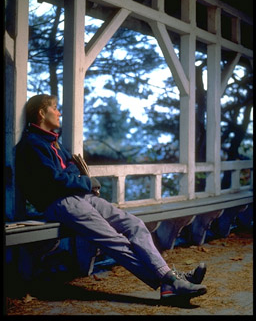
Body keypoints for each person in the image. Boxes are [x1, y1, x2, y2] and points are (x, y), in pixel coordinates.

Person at [15, 94, 207, 301]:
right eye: (55, 107)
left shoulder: (52, 142)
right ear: (42, 113)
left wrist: (78, 179)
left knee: (134, 224)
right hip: (62, 203)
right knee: (114, 240)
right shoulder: (33, 144)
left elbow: (70, 169)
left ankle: (169, 280)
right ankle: (171, 281)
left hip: (80, 197)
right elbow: (54, 180)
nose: (59, 112)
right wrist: (87, 182)